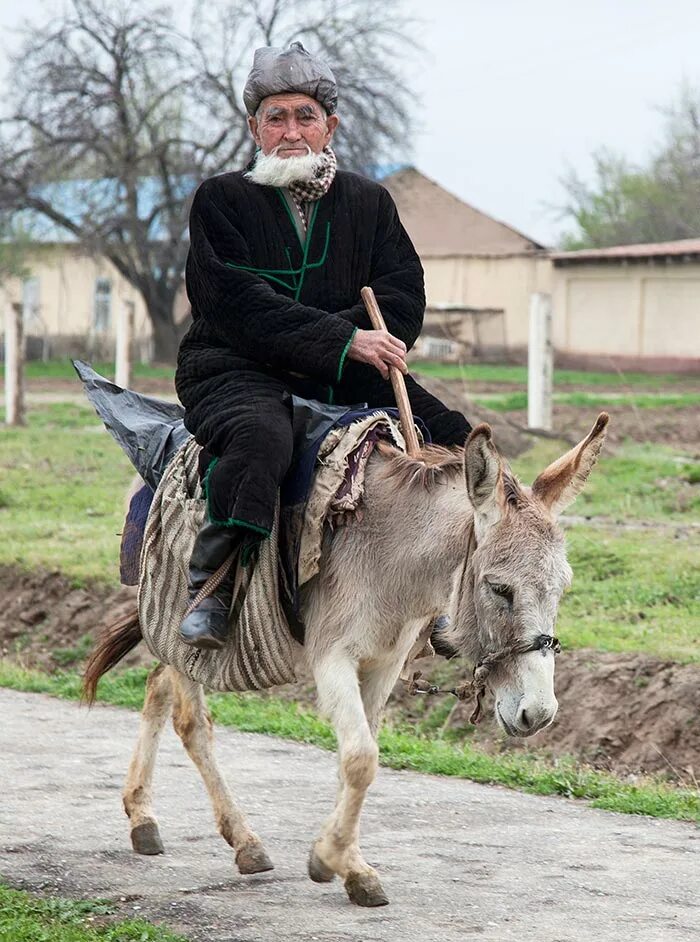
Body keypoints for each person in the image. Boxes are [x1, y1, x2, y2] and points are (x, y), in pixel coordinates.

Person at [175, 42, 472, 650]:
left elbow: (402, 293)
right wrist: (343, 338)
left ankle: (455, 595)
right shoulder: (220, 199)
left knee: (459, 440)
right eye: (276, 117)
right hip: (234, 369)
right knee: (262, 439)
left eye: (304, 116)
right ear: (254, 127)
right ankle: (214, 582)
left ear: (329, 126)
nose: (291, 132)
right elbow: (233, 302)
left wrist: (371, 343)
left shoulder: (369, 202)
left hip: (346, 373)